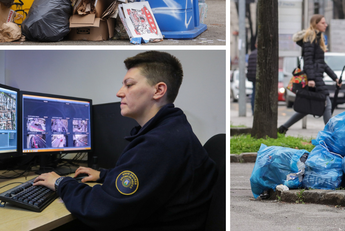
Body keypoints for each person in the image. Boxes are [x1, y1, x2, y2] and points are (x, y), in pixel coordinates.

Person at [34, 51, 217, 230]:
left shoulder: (159, 143)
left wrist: (61, 183)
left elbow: (104, 210)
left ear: (159, 90)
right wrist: (104, 176)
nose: (119, 93)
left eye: (129, 85)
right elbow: (148, 177)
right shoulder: (170, 129)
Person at [278, 14, 341, 134]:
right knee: (326, 103)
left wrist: (335, 78)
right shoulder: (310, 38)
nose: (325, 25)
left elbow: (322, 63)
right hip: (314, 78)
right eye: (323, 23)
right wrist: (311, 79)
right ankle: (331, 133)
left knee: (307, 107)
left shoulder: (318, 38)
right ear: (315, 24)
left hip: (316, 76)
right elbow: (308, 60)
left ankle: (283, 128)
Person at [246, 40, 257, 113]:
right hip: (260, 78)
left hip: (253, 77)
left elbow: (249, 67)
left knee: (254, 93)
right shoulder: (263, 54)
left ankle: (253, 110)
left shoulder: (252, 54)